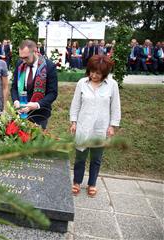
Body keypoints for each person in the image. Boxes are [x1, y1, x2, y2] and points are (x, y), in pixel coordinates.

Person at [70, 54, 121, 197]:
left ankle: (92, 184)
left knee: (96, 158)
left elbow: (115, 107)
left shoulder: (112, 85)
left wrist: (112, 126)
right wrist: (73, 122)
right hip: (83, 127)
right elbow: (76, 104)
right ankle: (77, 182)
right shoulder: (82, 83)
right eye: (92, 71)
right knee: (80, 157)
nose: (94, 75)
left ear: (105, 73)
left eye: (98, 73)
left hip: (101, 128)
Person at [11, 39, 58, 129]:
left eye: (26, 57)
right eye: (21, 57)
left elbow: (52, 93)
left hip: (40, 115)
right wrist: (16, 101)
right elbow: (14, 88)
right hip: (20, 113)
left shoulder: (49, 67)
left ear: (35, 52)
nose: (23, 61)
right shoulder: (20, 64)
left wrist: (36, 105)